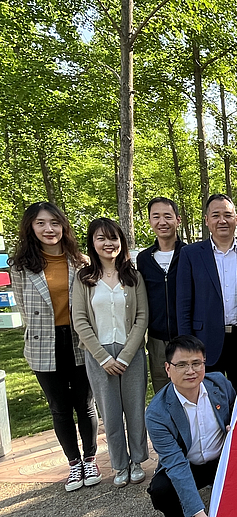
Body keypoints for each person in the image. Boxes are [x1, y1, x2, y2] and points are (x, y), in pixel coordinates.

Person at [9, 202, 100, 492]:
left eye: (54, 223)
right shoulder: (20, 266)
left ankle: (90, 459)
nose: (49, 229)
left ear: (63, 226)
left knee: (85, 404)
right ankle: (73, 463)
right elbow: (24, 309)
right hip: (43, 343)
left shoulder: (80, 262)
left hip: (78, 339)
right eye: (41, 223)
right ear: (31, 228)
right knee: (59, 408)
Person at [72, 217, 149, 488]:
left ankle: (137, 460)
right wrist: (102, 357)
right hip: (99, 355)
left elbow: (142, 317)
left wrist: (126, 355)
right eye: (101, 238)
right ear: (92, 243)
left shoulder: (133, 276)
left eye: (113, 238)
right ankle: (119, 464)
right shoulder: (84, 279)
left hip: (131, 353)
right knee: (111, 414)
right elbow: (79, 320)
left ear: (121, 242)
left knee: (135, 410)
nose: (108, 243)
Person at [146, 335, 236, 517]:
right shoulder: (157, 413)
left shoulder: (220, 384)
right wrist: (198, 512)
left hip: (222, 461)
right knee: (160, 490)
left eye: (196, 363)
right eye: (182, 365)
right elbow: (176, 463)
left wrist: (234, 427)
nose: (190, 371)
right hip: (188, 465)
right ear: (168, 368)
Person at [177, 194, 237, 389]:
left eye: (227, 215)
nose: (222, 220)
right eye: (216, 215)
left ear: (236, 219)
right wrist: (187, 345)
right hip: (204, 340)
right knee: (207, 397)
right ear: (207, 220)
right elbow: (183, 305)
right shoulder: (191, 254)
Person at [137, 197, 186, 393]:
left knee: (190, 389)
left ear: (178, 220)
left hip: (186, 335)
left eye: (167, 216)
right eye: (156, 217)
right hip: (157, 339)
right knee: (163, 391)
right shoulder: (144, 259)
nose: (162, 222)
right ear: (150, 221)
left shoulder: (190, 254)